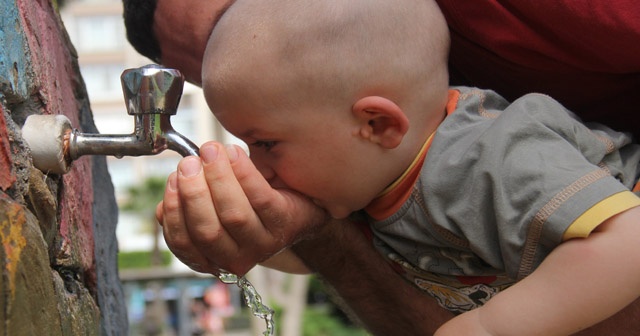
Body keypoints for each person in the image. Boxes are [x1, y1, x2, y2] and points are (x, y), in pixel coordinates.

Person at [123, 0, 640, 334]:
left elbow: (628, 240)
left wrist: (490, 328)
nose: (262, 167)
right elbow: (312, 251)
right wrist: (234, 231)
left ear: (375, 123)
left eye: (267, 143)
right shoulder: (372, 177)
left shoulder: (487, 156)